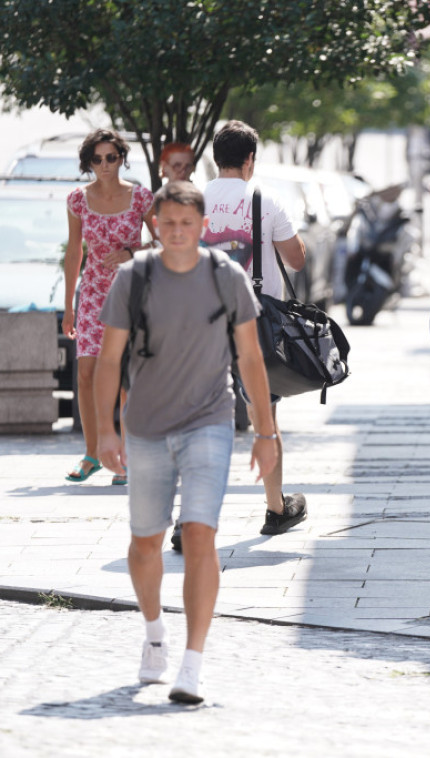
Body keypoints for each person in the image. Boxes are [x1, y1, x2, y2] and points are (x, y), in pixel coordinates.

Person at [93, 181, 277, 704]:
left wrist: (267, 433)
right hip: (147, 425)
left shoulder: (226, 277)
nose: (176, 232)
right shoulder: (134, 279)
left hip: (209, 419)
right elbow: (109, 360)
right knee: (146, 542)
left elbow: (250, 358)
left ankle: (192, 663)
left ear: (202, 227)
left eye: (186, 224)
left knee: (199, 534)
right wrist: (107, 429)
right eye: (167, 223)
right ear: (155, 224)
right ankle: (155, 633)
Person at [201, 120, 308, 538]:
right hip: (256, 321)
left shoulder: (194, 200)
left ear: (215, 158)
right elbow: (296, 260)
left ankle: (188, 520)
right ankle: (276, 508)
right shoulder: (266, 199)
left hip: (201, 319)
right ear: (250, 159)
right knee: (264, 415)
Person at [63, 129, 155, 485]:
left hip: (131, 292)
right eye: (97, 159)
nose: (104, 165)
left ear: (121, 158)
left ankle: (127, 457)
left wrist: (133, 252)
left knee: (124, 378)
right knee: (86, 372)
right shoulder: (77, 200)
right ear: (89, 162)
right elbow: (74, 253)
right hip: (92, 293)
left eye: (111, 158)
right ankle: (92, 454)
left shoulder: (141, 197)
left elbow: (163, 237)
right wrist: (69, 306)